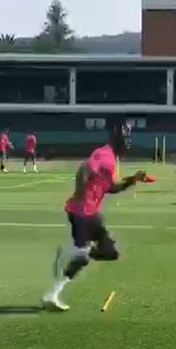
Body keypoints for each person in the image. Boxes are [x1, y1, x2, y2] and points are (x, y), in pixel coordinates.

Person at [44, 122, 147, 311]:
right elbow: (85, 168)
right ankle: (57, 285)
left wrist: (133, 179)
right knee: (85, 256)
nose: (128, 142)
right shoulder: (105, 155)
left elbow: (111, 187)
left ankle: (71, 258)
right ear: (119, 139)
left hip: (89, 213)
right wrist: (81, 193)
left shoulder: (112, 159)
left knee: (109, 253)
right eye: (126, 138)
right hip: (81, 212)